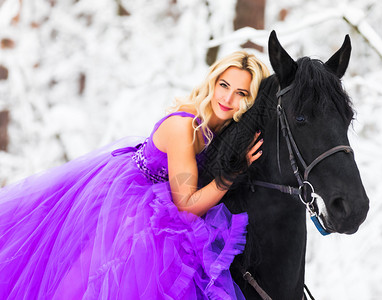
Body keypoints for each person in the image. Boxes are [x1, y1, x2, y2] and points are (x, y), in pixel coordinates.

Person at [0, 51, 270, 299]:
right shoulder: (184, 126)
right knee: (93, 282)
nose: (228, 99)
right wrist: (230, 175)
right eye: (224, 85)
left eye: (241, 93)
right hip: (127, 207)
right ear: (213, 81)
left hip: (160, 205)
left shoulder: (221, 132)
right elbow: (186, 205)